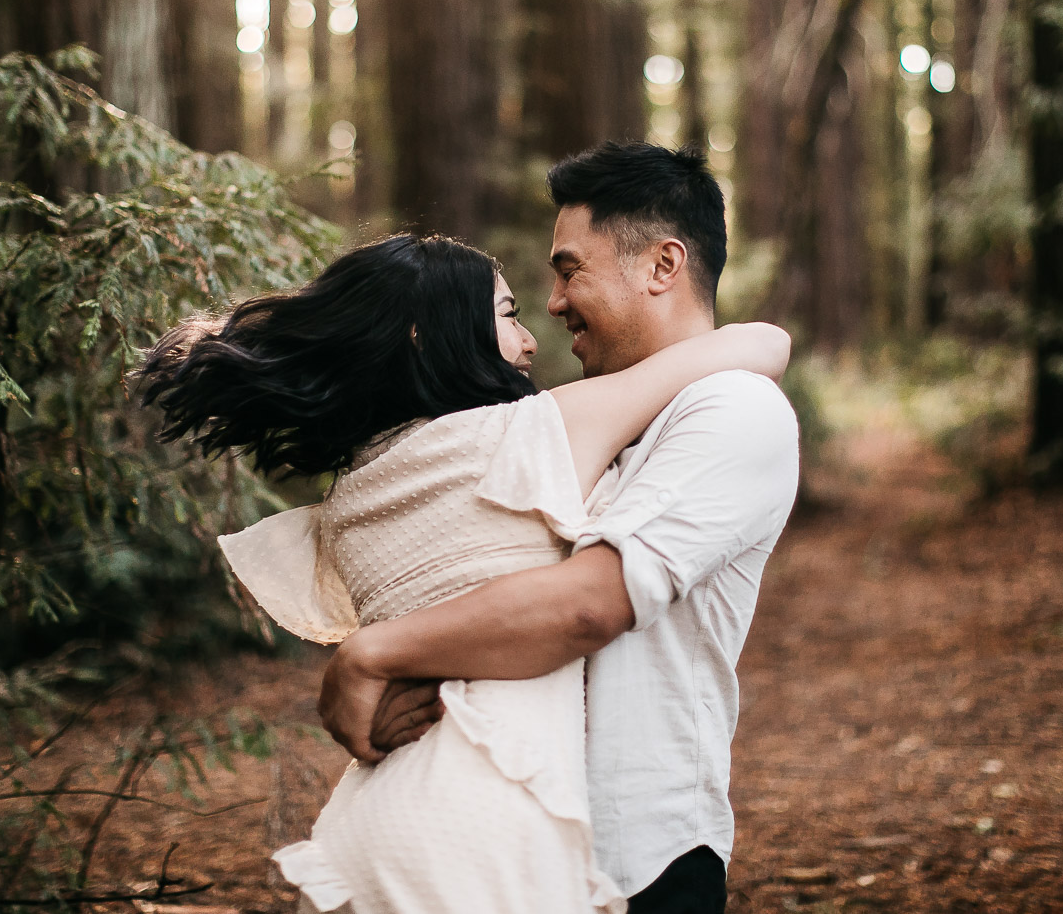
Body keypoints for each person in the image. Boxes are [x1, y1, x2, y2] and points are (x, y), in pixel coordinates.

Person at [135, 229, 791, 914]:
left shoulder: (352, 498)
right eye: (508, 315)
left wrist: (363, 658)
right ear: (425, 335)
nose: (531, 340)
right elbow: (759, 345)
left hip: (370, 826)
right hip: (477, 832)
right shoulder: (532, 434)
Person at [318, 143, 802, 914]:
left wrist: (370, 653)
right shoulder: (587, 419)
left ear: (663, 265)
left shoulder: (733, 411)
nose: (552, 302)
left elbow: (588, 604)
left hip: (637, 860)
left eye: (569, 269)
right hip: (502, 846)